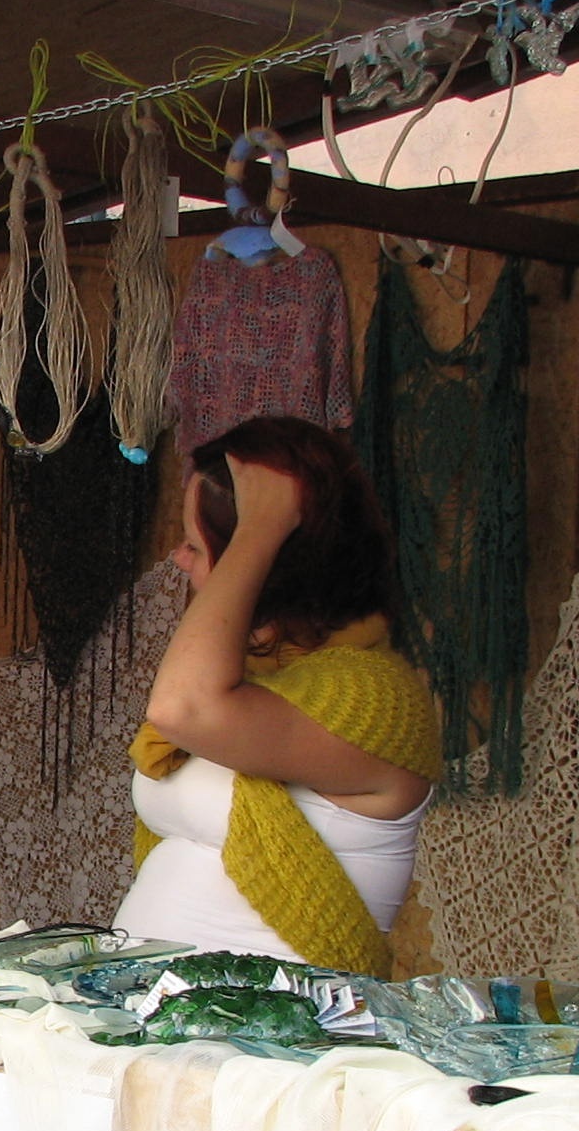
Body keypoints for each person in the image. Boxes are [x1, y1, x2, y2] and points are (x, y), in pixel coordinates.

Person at [116, 415, 441, 977]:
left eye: (195, 545)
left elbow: (181, 711)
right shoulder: (255, 677)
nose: (178, 558)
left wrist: (262, 528)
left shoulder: (377, 699)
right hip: (164, 1011)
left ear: (260, 563)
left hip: (284, 1024)